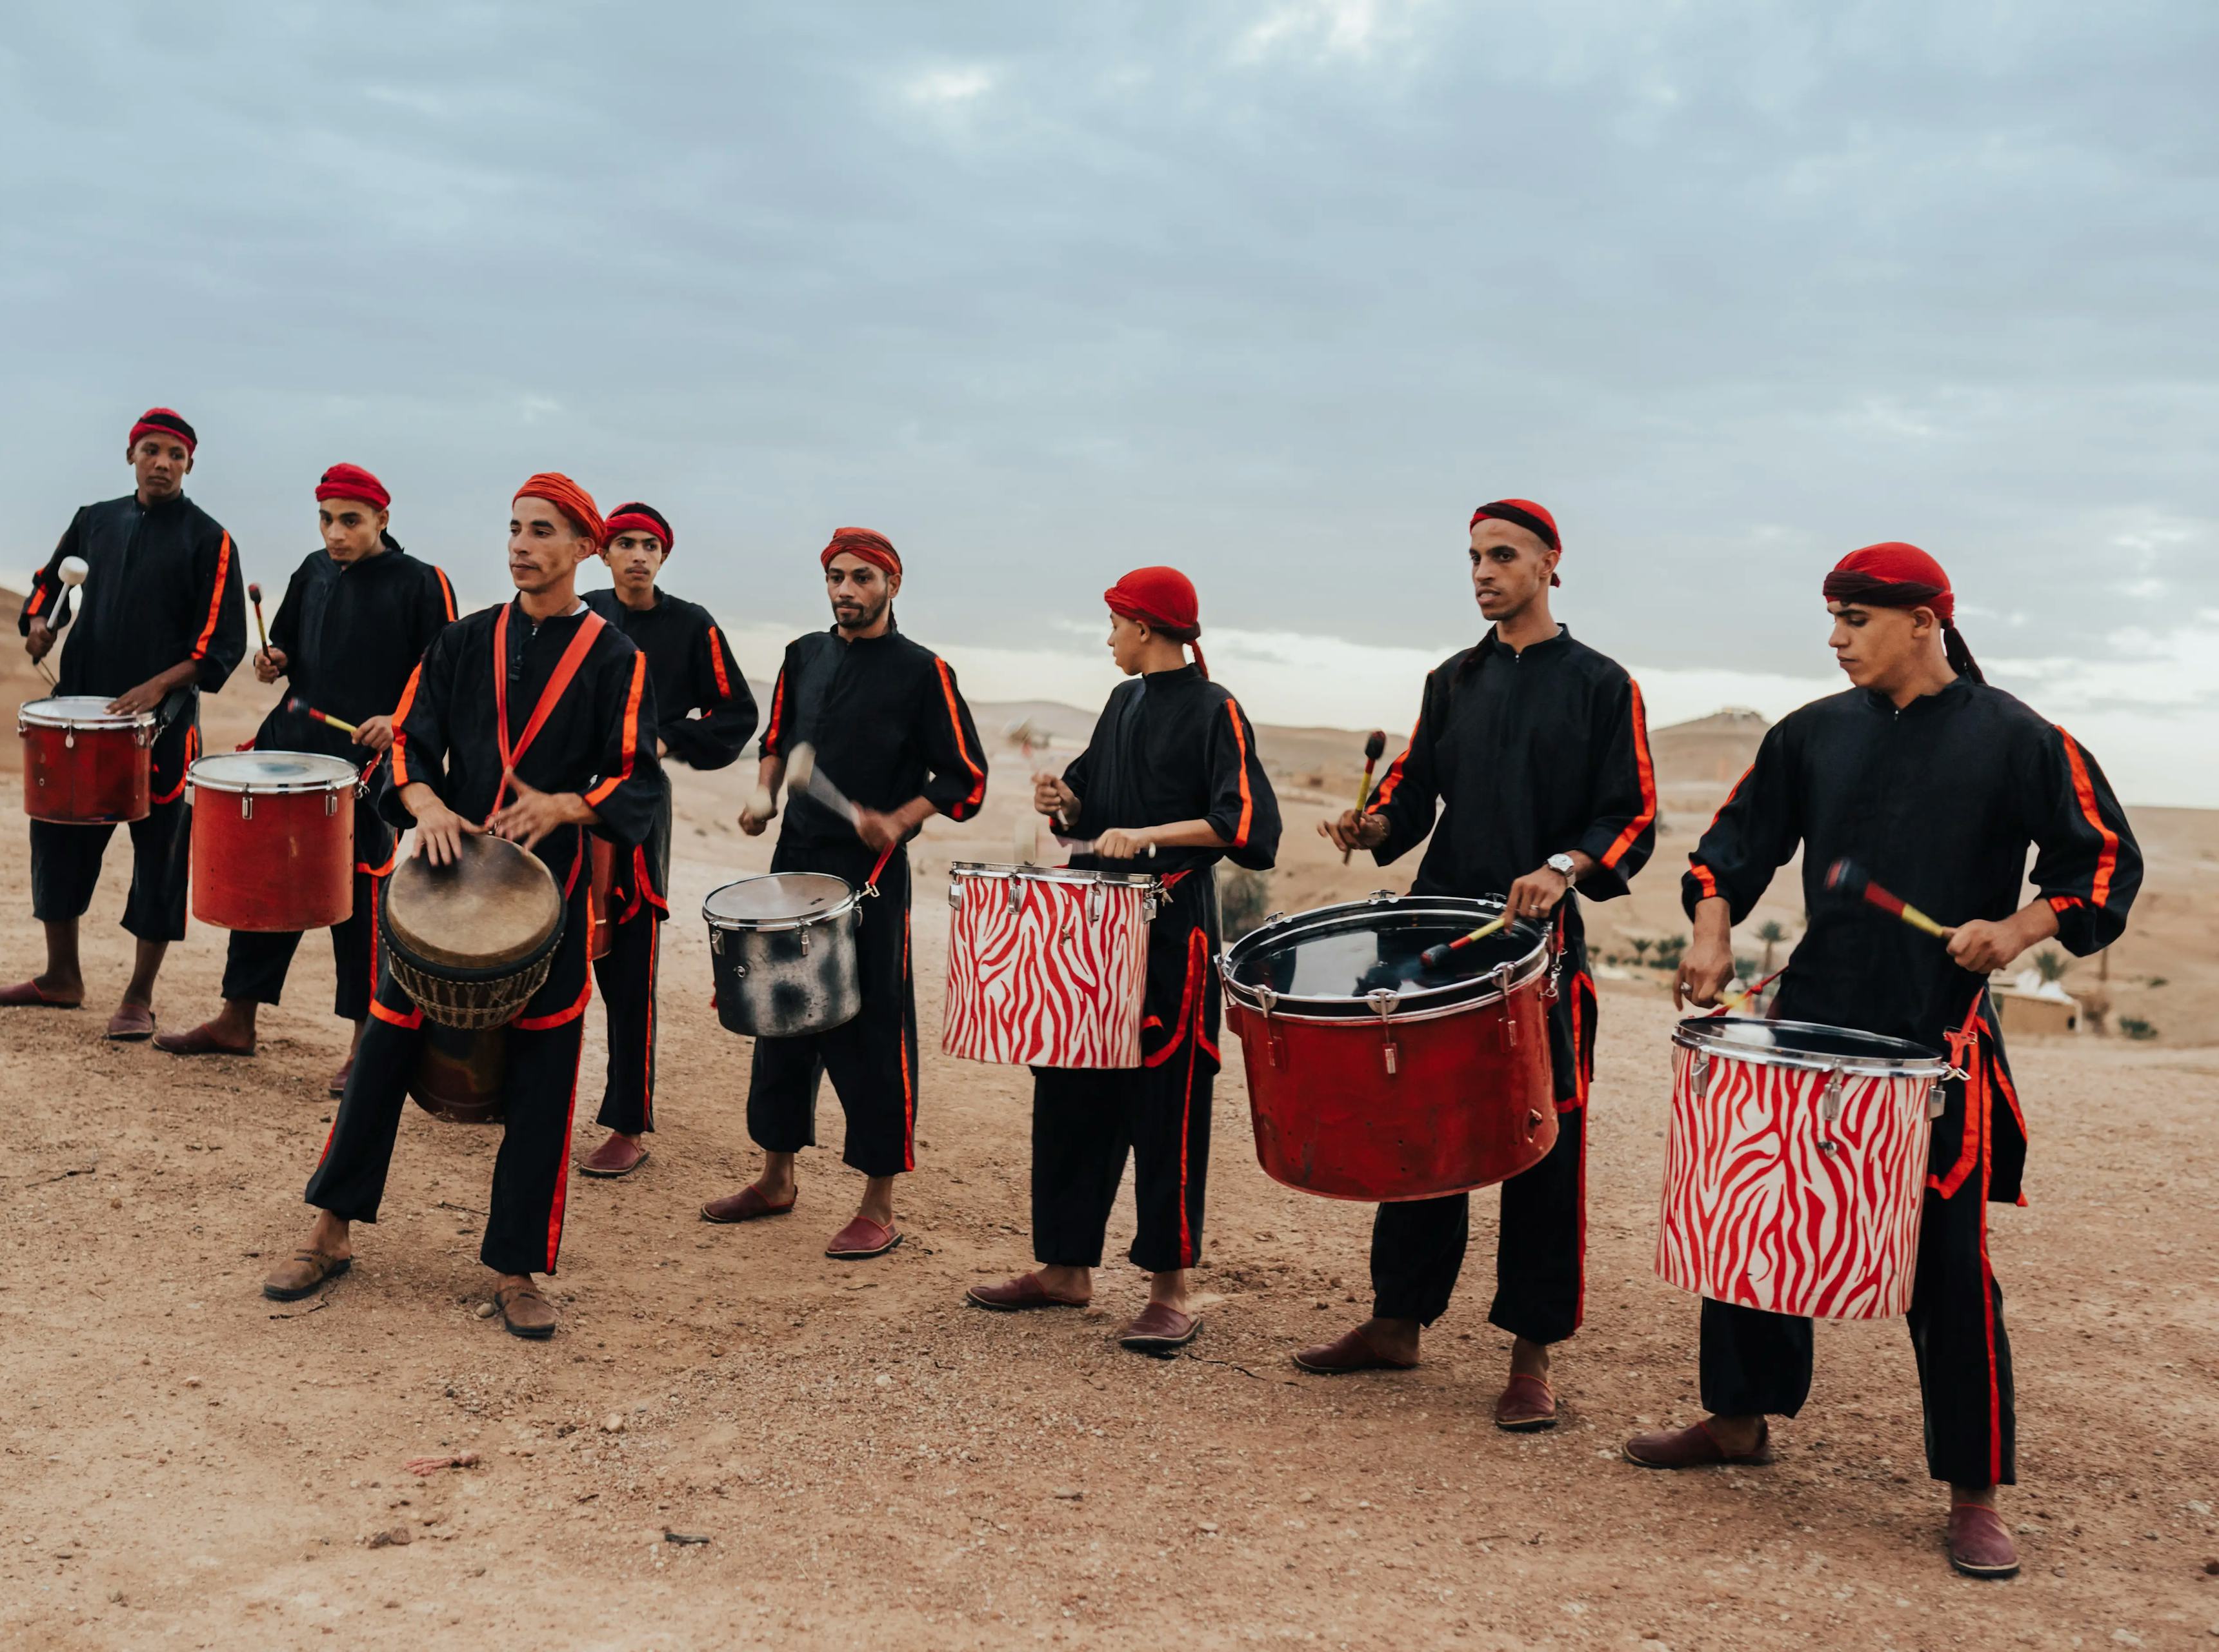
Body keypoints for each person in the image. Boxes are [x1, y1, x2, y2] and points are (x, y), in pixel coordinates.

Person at [1624, 541, 2141, 1580]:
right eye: (1833, 617)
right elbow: (1732, 844)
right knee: (1758, 1218)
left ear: (1924, 621)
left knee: (1946, 1271)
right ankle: (1737, 1420)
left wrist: (2020, 925)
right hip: (1814, 1017)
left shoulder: (2019, 740)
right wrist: (1712, 929)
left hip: (1932, 1033)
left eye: (1855, 619)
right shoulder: (1812, 734)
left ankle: (1974, 1491)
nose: (1836, 639)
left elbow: (2103, 861)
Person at [259, 473, 663, 1338]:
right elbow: (408, 740)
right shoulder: (464, 640)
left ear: (584, 548)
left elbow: (637, 778)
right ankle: (330, 1230)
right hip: (441, 889)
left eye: (544, 531)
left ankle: (515, 1266)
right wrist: (427, 805)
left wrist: (563, 806)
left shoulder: (618, 659)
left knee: (547, 1081)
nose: (522, 544)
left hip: (541, 898)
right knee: (380, 1056)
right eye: (515, 527)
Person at [1310, 498, 1656, 1430]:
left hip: (1538, 951)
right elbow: (1412, 790)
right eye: (1472, 558)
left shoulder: (1601, 684)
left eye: (1502, 556)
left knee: (1542, 1145)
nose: (1482, 573)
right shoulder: (1451, 680)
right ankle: (1396, 1322)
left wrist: (1560, 867)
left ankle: (1532, 1357)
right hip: (1436, 940)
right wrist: (1373, 823)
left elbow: (1630, 817)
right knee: (1418, 1134)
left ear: (1551, 565)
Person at [966, 568, 1280, 1353]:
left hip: (1173, 935)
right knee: (1069, 1091)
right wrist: (1063, 803)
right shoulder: (1124, 701)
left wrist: (1149, 837)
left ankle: (1170, 1290)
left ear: (1145, 626)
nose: (1108, 638)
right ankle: (1067, 1267)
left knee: (1164, 1103)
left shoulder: (1216, 710)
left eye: (1113, 624)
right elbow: (1092, 802)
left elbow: (1245, 824)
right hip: (1092, 929)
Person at [700, 528, 988, 1259]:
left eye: (861, 578)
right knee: (779, 1018)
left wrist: (898, 819)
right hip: (794, 858)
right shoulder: (804, 654)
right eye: (835, 577)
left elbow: (965, 778)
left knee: (871, 1031)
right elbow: (777, 739)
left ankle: (878, 1203)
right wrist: (764, 793)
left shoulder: (925, 673)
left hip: (870, 877)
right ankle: (775, 1177)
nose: (846, 591)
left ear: (892, 583)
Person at [155, 464, 457, 1091]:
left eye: (350, 520)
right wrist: (276, 658)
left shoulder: (423, 583)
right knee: (272, 878)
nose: (336, 533)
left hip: (368, 765)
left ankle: (365, 1044)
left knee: (357, 897)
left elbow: (443, 676)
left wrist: (396, 720)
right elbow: (290, 646)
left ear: (382, 519)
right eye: (326, 519)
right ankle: (237, 1019)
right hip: (294, 748)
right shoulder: (311, 571)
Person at [0, 407, 245, 1040]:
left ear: (190, 463)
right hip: (80, 715)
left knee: (159, 855)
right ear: (131, 455)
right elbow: (50, 587)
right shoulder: (93, 521)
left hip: (163, 724)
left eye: (175, 455)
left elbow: (218, 644)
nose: (162, 463)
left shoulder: (210, 539)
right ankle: (60, 976)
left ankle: (139, 995)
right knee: (57, 838)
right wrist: (41, 625)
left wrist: (155, 688)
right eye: (151, 450)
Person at [574, 501, 759, 1176]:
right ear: (603, 552)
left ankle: (627, 1123)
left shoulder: (691, 625)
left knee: (627, 965)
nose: (638, 555)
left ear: (664, 555)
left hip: (637, 807)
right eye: (625, 543)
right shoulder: (581, 610)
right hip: (563, 800)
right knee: (544, 945)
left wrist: (667, 735)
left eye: (650, 545)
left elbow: (737, 710)